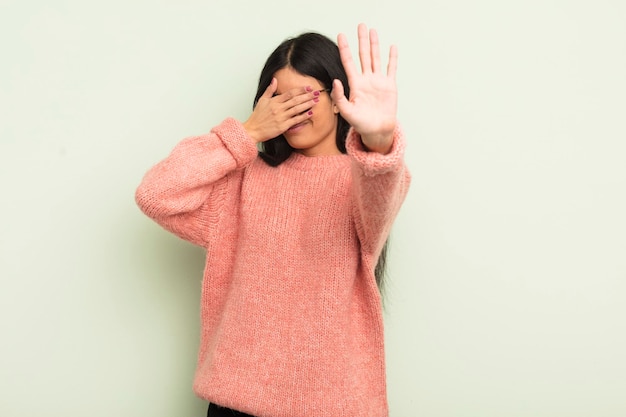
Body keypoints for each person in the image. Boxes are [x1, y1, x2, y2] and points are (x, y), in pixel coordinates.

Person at [135, 23, 411, 417]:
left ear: (338, 100)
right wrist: (247, 133)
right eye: (278, 99)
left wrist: (380, 140)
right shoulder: (243, 180)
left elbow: (382, 184)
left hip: (329, 407)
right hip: (235, 402)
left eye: (307, 96)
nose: (293, 110)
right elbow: (156, 194)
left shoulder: (363, 180)